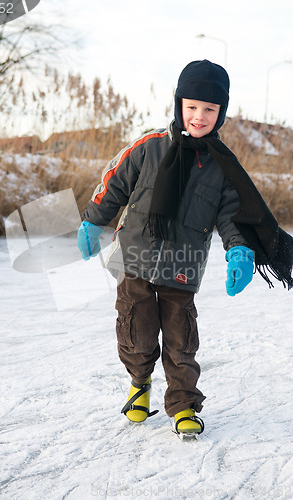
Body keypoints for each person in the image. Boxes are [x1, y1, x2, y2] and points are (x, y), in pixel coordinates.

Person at [77, 60, 293, 436]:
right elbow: (114, 183)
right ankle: (139, 384)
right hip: (135, 259)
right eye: (192, 107)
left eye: (209, 110)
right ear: (179, 104)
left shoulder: (222, 166)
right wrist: (94, 220)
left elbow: (233, 216)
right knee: (136, 335)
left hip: (183, 267)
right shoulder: (149, 147)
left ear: (220, 113)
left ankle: (183, 405)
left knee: (181, 342)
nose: (199, 116)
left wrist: (239, 250)